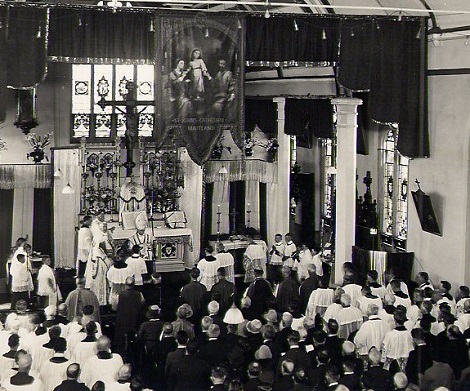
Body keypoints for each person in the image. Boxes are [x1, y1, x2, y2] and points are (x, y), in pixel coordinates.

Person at [113, 277, 144, 355]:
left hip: (122, 322)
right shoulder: (139, 295)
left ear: (125, 284)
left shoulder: (119, 295)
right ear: (133, 284)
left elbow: (114, 307)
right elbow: (142, 304)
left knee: (122, 344)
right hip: (135, 321)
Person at [85, 236, 113, 306]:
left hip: (98, 276)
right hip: (99, 275)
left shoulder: (96, 251)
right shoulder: (98, 252)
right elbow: (108, 263)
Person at [10, 243, 33, 309]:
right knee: (21, 297)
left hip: (20, 284)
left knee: (19, 296)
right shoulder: (21, 267)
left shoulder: (19, 265)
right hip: (21, 284)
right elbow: (25, 277)